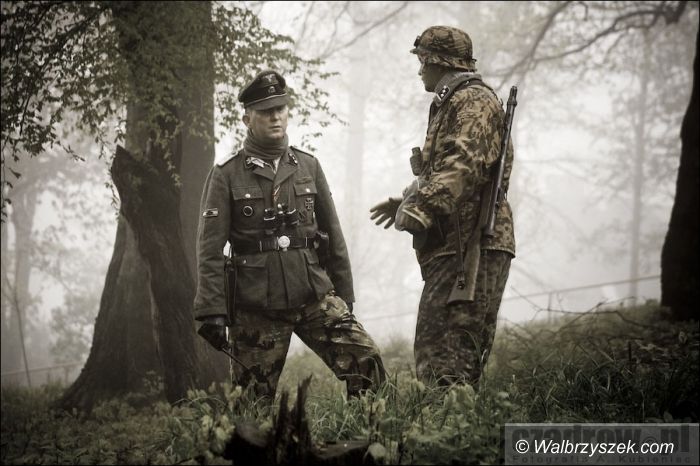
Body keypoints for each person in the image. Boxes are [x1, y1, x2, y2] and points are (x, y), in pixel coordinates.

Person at [194, 70, 385, 400]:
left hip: (313, 295)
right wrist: (212, 310)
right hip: (256, 306)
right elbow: (209, 249)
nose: (275, 116)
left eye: (280, 109)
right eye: (265, 111)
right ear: (247, 118)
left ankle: (365, 429)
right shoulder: (227, 174)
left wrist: (344, 292)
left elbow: (332, 233)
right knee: (253, 401)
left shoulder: (308, 165)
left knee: (366, 360)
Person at [370, 26, 515, 387]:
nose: (420, 69)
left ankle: (450, 422)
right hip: (456, 245)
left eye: (423, 60)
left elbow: (464, 164)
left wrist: (422, 206)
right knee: (441, 353)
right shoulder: (455, 102)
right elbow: (450, 168)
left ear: (439, 62)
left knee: (448, 358)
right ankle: (449, 419)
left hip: (472, 245)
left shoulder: (473, 101)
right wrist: (409, 198)